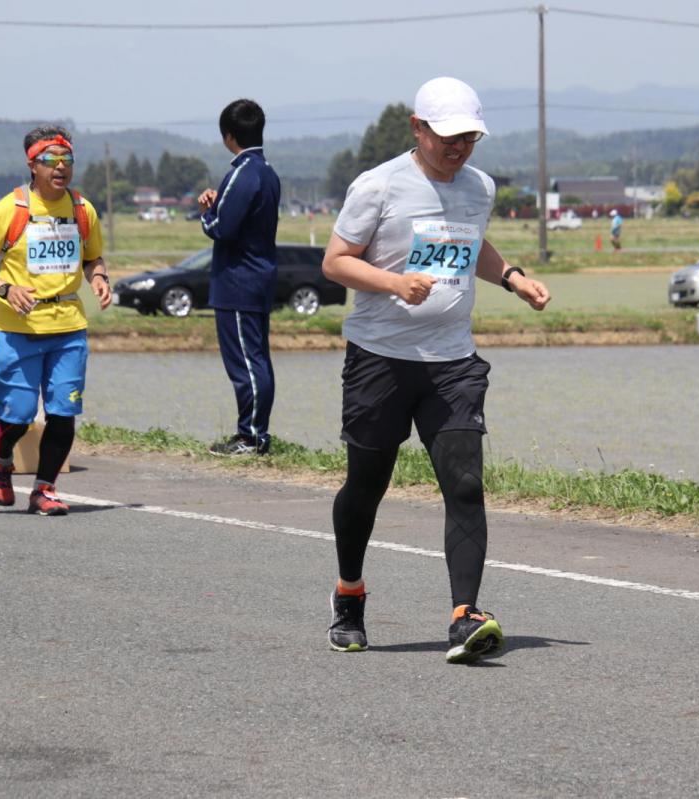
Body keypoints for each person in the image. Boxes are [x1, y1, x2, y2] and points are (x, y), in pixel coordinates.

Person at [321, 76, 551, 664]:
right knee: (367, 485)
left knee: (465, 484)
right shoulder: (378, 185)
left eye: (469, 137)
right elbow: (336, 262)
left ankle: (464, 615)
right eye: (449, 137)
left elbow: (472, 244)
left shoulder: (479, 187)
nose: (459, 148)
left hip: (452, 362)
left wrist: (513, 278)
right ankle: (349, 595)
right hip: (380, 359)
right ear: (417, 129)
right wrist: (394, 282)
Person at [0, 125, 111, 516]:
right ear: (32, 165)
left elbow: (92, 256)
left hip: (68, 327)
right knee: (18, 416)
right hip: (17, 328)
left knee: (64, 412)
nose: (60, 167)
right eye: (50, 160)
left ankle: (44, 489)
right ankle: (1, 460)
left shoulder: (82, 209)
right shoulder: (11, 209)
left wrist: (98, 278)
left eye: (67, 159)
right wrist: (6, 289)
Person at [198, 99, 283, 456]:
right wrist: (221, 202)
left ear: (228, 136)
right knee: (257, 359)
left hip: (237, 280)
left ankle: (251, 436)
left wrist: (206, 212)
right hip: (259, 276)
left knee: (245, 363)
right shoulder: (267, 172)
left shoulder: (242, 172)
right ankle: (255, 432)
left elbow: (221, 227)